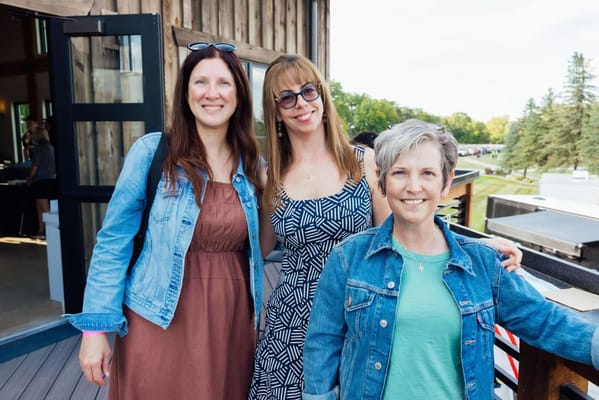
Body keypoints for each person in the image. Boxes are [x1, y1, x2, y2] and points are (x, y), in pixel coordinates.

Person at [250, 55, 522, 400]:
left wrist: (476, 248)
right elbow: (255, 247)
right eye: (286, 97)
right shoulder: (270, 175)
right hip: (290, 326)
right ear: (275, 110)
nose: (301, 103)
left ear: (322, 95)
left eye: (308, 90)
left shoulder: (362, 162)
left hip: (361, 316)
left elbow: (402, 231)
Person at [302, 119, 599, 400]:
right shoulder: (348, 258)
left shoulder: (482, 265)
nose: (413, 186)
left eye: (427, 173)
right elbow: (322, 345)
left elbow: (545, 322)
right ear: (382, 182)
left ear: (446, 182)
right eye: (400, 172)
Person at [64, 41, 265, 400]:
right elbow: (113, 242)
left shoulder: (253, 167)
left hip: (230, 319)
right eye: (200, 82)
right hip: (157, 315)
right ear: (186, 92)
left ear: (239, 94)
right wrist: (94, 329)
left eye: (224, 83)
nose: (212, 94)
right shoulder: (153, 153)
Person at [26, 126, 57, 239]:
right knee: (43, 206)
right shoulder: (52, 148)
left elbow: (35, 166)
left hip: (41, 181)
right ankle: (42, 231)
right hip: (53, 180)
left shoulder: (39, 149)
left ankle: (49, 231)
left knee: (43, 208)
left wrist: (29, 178)